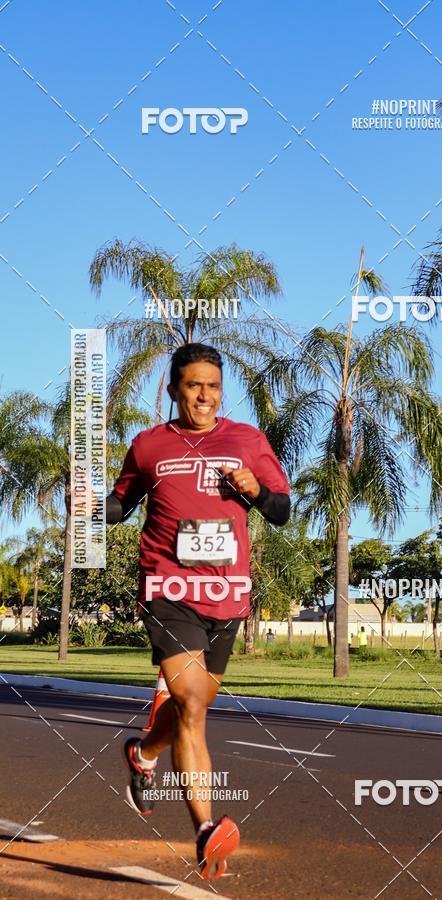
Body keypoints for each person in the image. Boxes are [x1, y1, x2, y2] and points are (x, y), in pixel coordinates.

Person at [106, 343, 290, 878]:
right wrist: (93, 504)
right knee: (191, 703)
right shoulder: (149, 446)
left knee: (192, 705)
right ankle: (206, 830)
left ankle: (143, 754)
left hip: (227, 595)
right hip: (167, 586)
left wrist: (256, 491)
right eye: (193, 385)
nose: (204, 394)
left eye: (212, 384)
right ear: (173, 390)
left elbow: (280, 510)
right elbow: (121, 505)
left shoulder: (247, 440)